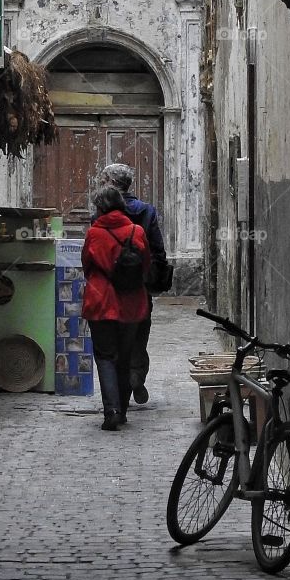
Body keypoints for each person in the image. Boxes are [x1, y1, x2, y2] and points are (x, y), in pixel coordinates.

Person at [81, 183, 151, 431]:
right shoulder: (137, 231)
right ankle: (121, 410)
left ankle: (111, 410)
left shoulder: (94, 234)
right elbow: (145, 267)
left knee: (105, 356)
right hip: (131, 303)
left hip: (101, 302)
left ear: (100, 208)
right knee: (124, 356)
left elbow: (87, 265)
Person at [96, 163, 167, 405]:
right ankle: (136, 376)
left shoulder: (101, 213)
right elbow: (157, 249)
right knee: (139, 334)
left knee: (112, 337)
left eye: (103, 179)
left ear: (111, 184)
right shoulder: (147, 211)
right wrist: (152, 276)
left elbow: (93, 253)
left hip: (109, 288)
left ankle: (118, 391)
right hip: (139, 284)